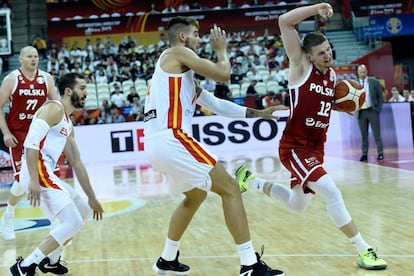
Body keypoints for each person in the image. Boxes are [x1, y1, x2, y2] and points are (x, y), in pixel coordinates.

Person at [235, 3, 387, 272]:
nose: (328, 55)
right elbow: (284, 21)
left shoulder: (331, 76)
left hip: (316, 149)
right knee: (332, 192)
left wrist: (342, 107)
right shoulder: (300, 67)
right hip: (295, 147)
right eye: (321, 52)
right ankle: (364, 250)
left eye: (328, 49)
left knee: (296, 205)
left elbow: (323, 104)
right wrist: (319, 7)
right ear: (309, 55)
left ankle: (251, 180)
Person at [144, 16, 286, 275]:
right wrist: (222, 51)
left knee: (194, 195)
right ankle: (248, 265)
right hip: (172, 138)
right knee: (231, 188)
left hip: (156, 145)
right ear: (183, 37)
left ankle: (167, 258)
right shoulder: (177, 53)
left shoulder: (179, 76)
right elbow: (224, 74)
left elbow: (217, 105)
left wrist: (260, 113)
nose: (201, 38)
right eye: (197, 34)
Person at [9, 72, 104, 276]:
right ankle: (25, 266)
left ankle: (52, 261)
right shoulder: (53, 108)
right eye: (82, 88)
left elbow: (77, 163)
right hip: (38, 170)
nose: (86, 93)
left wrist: (93, 197)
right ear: (69, 91)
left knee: (84, 210)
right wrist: (34, 180)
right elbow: (30, 144)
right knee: (72, 222)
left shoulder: (67, 123)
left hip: (45, 173)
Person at [0, 46, 59, 241]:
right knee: (21, 180)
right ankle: (8, 214)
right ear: (20, 59)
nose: (34, 59)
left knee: (47, 176)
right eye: (29, 56)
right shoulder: (12, 79)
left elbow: (56, 105)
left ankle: (56, 218)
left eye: (35, 56)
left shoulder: (46, 78)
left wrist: (57, 130)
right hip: (17, 133)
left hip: (39, 131)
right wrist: (6, 132)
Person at [355, 64, 384, 162]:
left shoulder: (374, 82)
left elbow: (381, 96)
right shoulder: (354, 83)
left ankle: (380, 153)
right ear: (357, 73)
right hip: (361, 112)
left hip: (372, 111)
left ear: (366, 71)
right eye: (360, 72)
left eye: (364, 72)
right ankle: (364, 154)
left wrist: (378, 109)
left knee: (377, 134)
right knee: (364, 135)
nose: (362, 74)